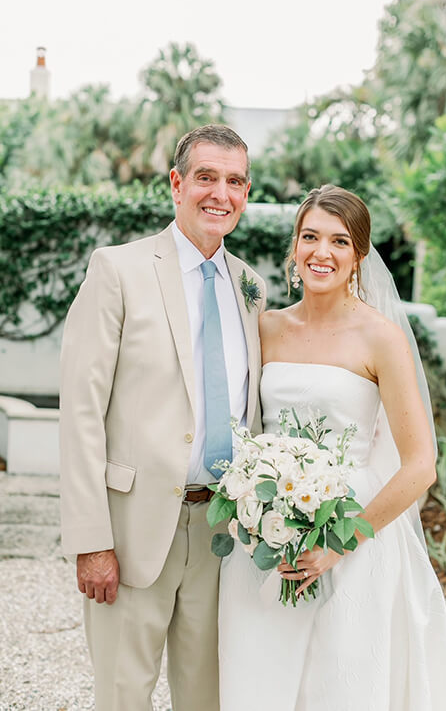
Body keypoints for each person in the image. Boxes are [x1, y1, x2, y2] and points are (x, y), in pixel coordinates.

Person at [218, 185, 446, 710]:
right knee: (260, 675)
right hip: (267, 528)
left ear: (359, 257)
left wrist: (339, 545)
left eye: (339, 241)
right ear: (294, 247)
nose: (320, 253)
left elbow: (421, 465)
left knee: (341, 683)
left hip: (352, 533)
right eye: (309, 237)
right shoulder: (266, 328)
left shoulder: (380, 339)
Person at [59, 124, 266, 711]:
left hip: (222, 535)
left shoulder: (251, 286)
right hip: (131, 532)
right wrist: (91, 540)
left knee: (208, 699)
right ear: (177, 184)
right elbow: (80, 411)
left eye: (233, 181)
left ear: (246, 194)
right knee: (123, 697)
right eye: (206, 177)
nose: (219, 194)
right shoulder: (117, 270)